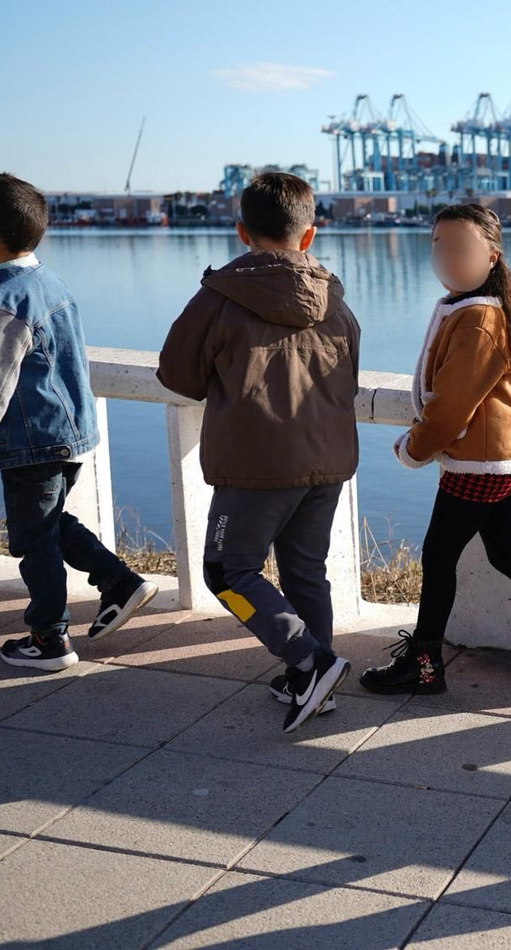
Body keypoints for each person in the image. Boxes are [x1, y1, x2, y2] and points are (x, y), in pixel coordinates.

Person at [360, 203, 511, 695]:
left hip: (480, 461)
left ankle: (424, 666)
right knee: (507, 552)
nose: (447, 257)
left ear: (492, 256)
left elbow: (451, 407)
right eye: (439, 246)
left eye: (461, 248)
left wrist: (414, 447)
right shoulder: (476, 309)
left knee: (438, 555)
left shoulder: (478, 320)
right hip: (496, 458)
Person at [156, 171, 357, 732]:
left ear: (242, 231)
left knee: (226, 571)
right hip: (328, 458)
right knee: (305, 572)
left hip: (255, 464)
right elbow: (350, 374)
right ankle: (312, 680)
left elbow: (178, 373)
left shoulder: (220, 297)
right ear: (309, 235)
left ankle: (312, 663)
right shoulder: (334, 298)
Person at [0, 173, 157, 671]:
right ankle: (119, 581)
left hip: (34, 440)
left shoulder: (2, 304)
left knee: (34, 541)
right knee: (46, 523)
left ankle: (50, 640)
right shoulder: (49, 282)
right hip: (67, 433)